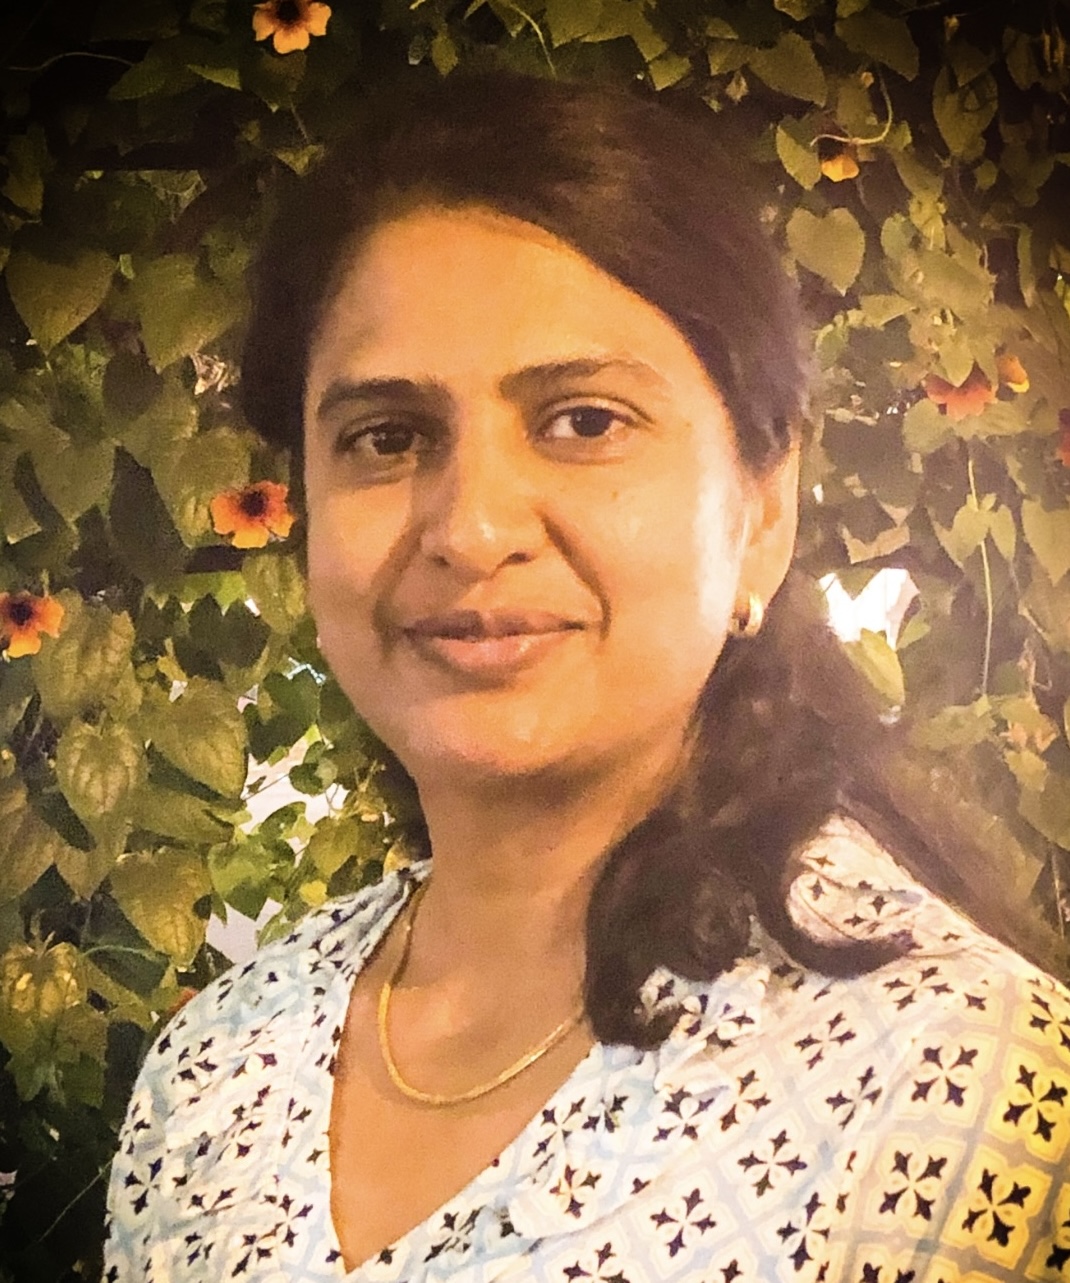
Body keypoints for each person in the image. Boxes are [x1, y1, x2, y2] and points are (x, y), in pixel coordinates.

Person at [104, 73, 1070, 1283]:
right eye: (386, 437)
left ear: (760, 510)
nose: (470, 528)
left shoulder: (952, 1087)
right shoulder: (217, 1069)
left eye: (583, 421)